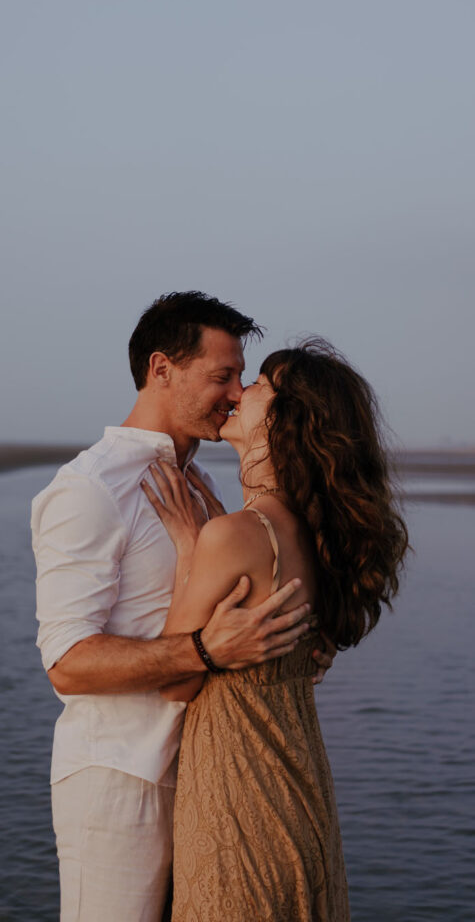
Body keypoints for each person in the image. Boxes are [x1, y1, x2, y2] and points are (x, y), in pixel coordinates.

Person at [31, 293, 334, 922]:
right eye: (221, 376)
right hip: (122, 779)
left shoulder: (205, 487)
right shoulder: (92, 488)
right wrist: (202, 651)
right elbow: (66, 662)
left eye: (240, 378)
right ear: (161, 369)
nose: (233, 392)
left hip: (210, 777)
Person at [142, 337, 409, 921]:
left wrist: (190, 551)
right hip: (303, 788)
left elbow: (174, 682)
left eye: (261, 384)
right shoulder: (316, 540)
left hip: (241, 799)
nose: (242, 391)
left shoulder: (235, 535)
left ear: (289, 422)